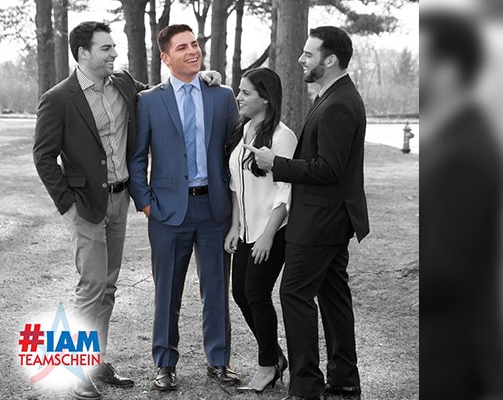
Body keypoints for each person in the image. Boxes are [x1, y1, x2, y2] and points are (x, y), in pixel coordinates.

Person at [33, 21, 221, 400]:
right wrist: (68, 206)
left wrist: (202, 77)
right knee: (91, 286)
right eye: (106, 48)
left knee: (108, 286)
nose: (114, 53)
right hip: (85, 206)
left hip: (119, 200)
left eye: (114, 46)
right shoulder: (58, 98)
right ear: (83, 53)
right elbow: (43, 156)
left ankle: (96, 361)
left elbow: (163, 93)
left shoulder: (123, 84)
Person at [247, 26, 370, 400]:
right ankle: (344, 380)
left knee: (294, 294)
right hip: (331, 218)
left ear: (329, 60)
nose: (301, 59)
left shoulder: (338, 104)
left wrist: (276, 164)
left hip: (320, 220)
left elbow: (329, 169)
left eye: (308, 54)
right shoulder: (334, 95)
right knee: (333, 297)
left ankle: (306, 387)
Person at [128, 24, 240, 391]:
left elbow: (234, 152)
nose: (193, 51)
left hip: (214, 209)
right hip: (167, 213)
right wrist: (146, 204)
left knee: (217, 289)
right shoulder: (148, 101)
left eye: (195, 44)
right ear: (165, 57)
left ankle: (219, 361)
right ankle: (165, 364)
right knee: (167, 292)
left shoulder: (222, 96)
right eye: (182, 47)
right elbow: (137, 158)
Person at [420, 11, 503, 399]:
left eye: (424, 59)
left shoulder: (464, 153)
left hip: (453, 355)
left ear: (449, 71)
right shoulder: (454, 135)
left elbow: (446, 269)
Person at [223, 68, 296, 394]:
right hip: (246, 230)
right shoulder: (244, 130)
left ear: (265, 98)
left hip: (273, 231)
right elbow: (236, 183)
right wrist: (235, 225)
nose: (239, 97)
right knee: (240, 293)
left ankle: (267, 365)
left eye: (246, 92)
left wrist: (268, 235)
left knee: (256, 293)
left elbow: (286, 190)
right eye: (239, 91)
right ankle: (276, 357)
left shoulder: (283, 136)